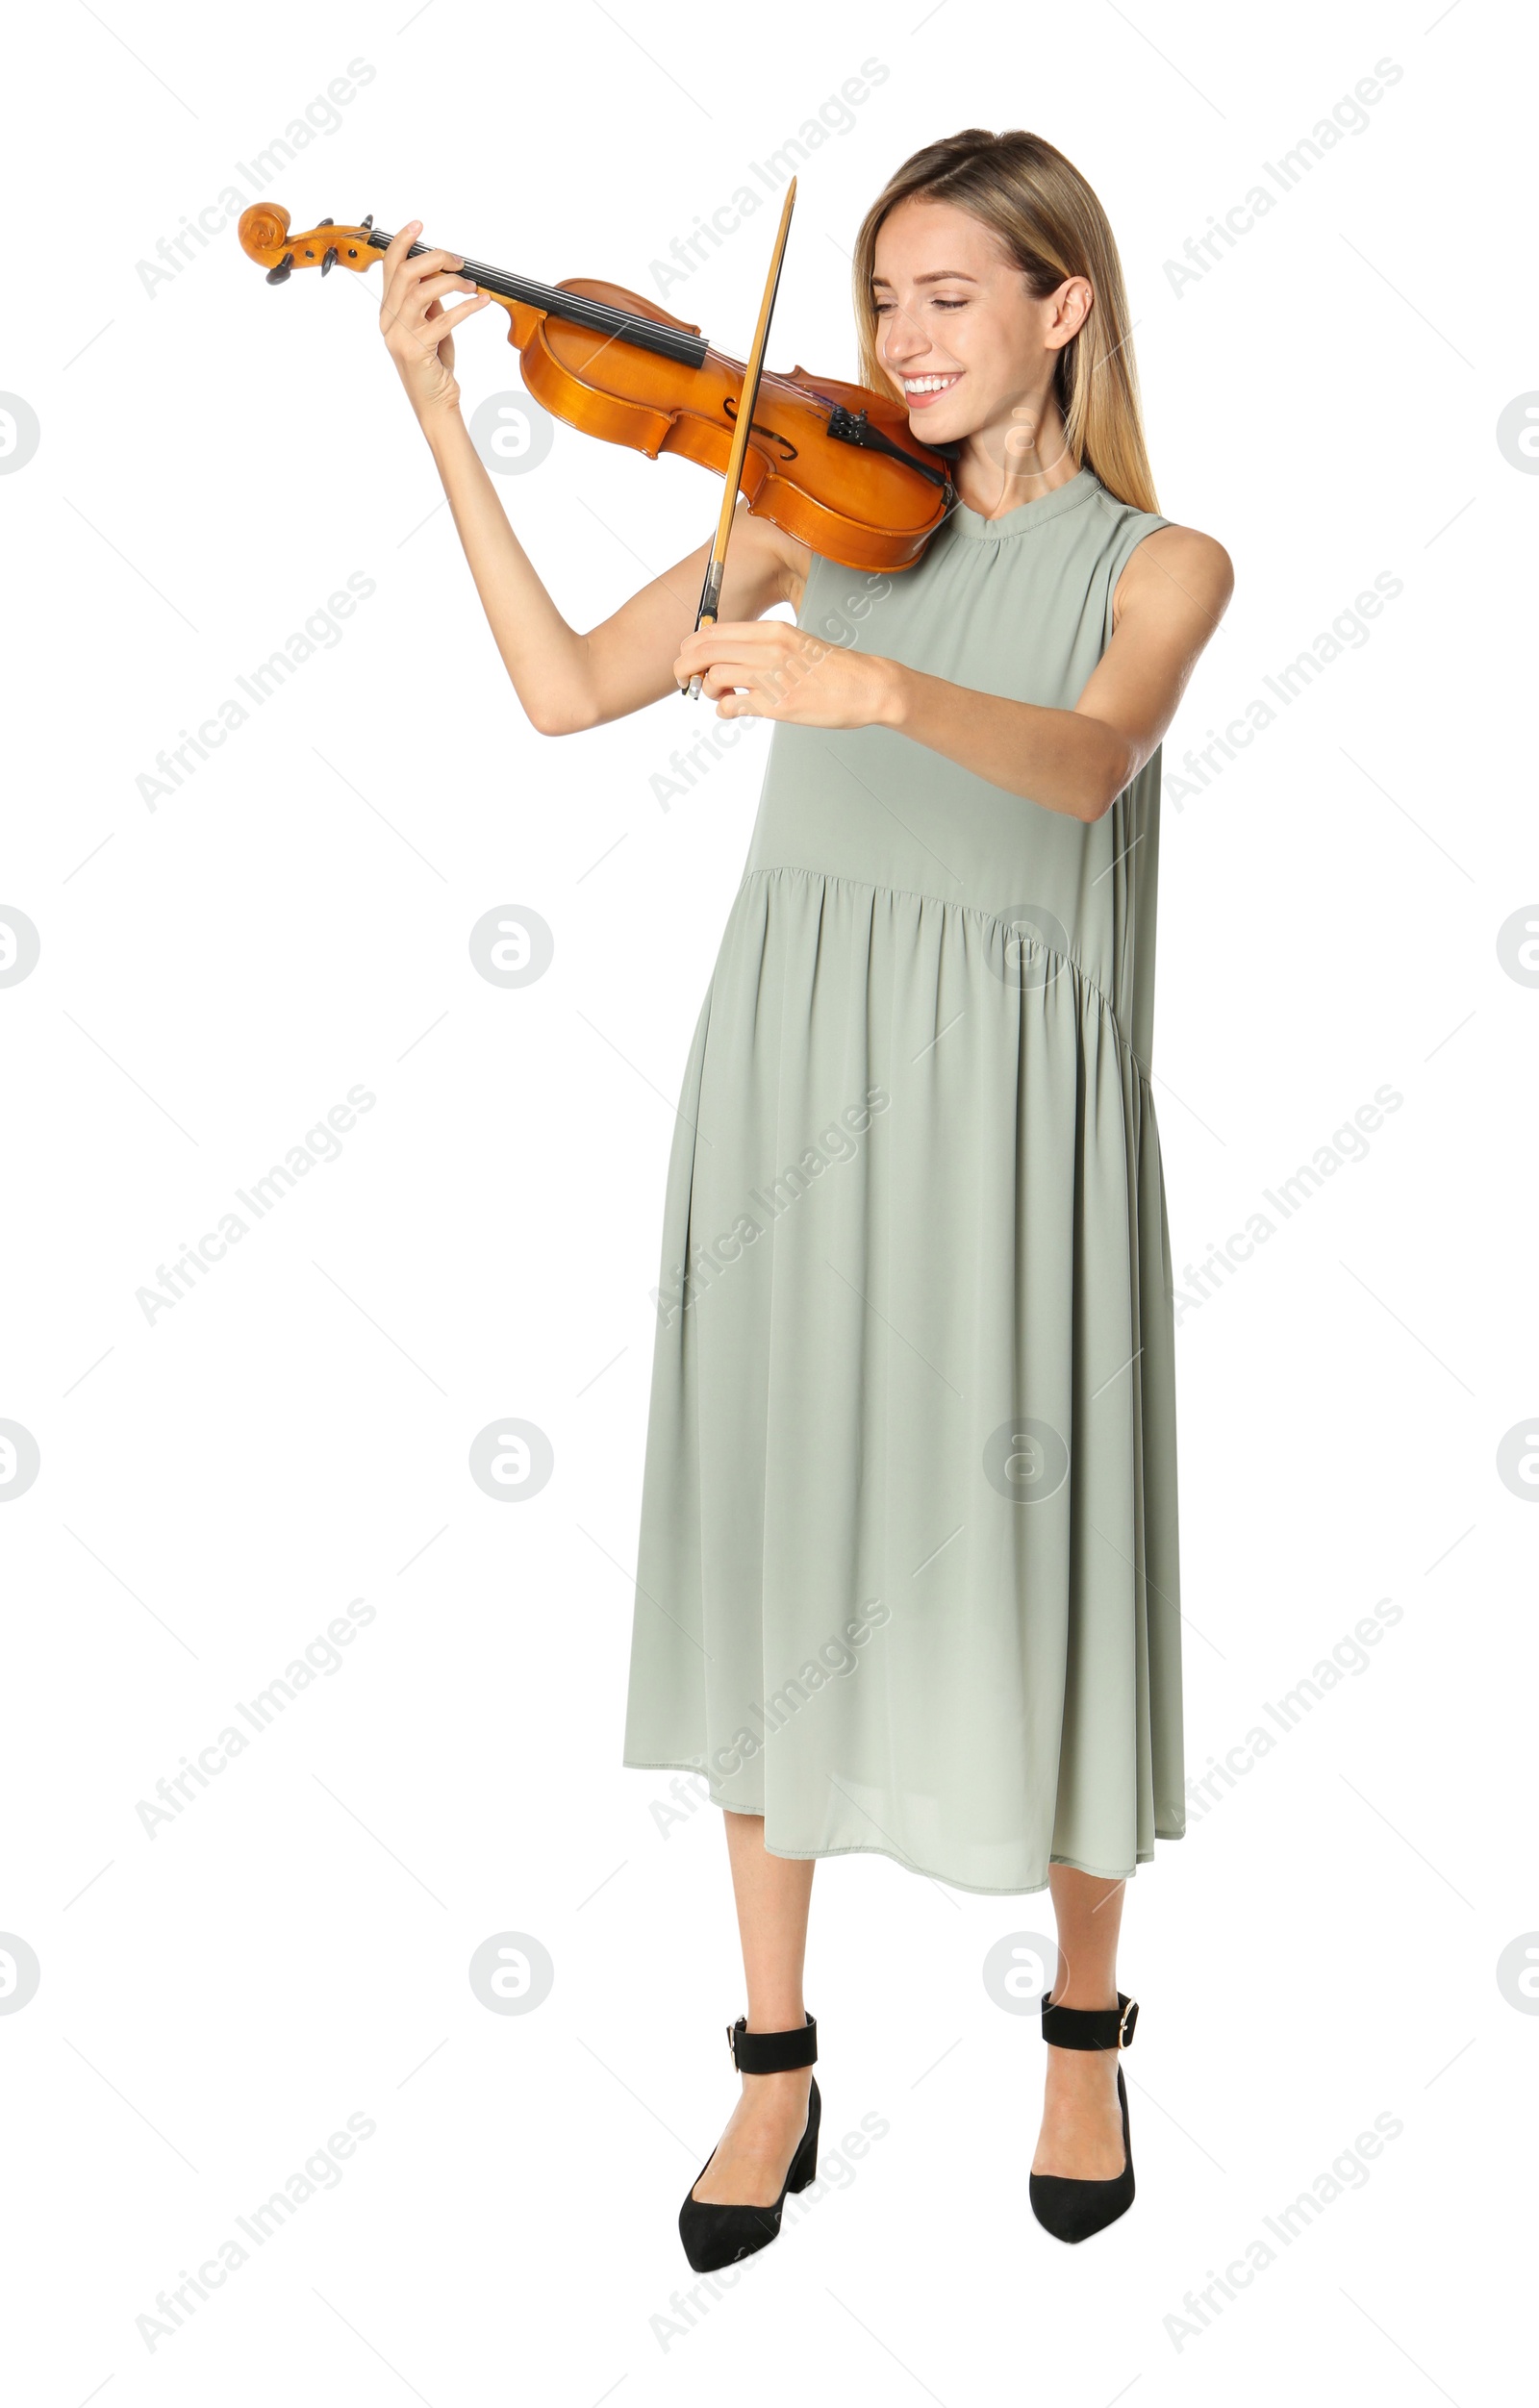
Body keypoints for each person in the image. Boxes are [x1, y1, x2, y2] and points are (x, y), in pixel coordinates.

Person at [376, 125, 1232, 2264]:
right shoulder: (800, 508)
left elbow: (1085, 761)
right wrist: (439, 421)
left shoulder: (1162, 561)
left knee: (1033, 1546)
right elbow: (570, 686)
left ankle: (1079, 2029)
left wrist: (861, 681)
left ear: (1061, 309)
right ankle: (770, 2066)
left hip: (1014, 1100)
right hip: (793, 1066)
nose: (896, 344)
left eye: (948, 300)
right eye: (876, 303)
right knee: (778, 1548)